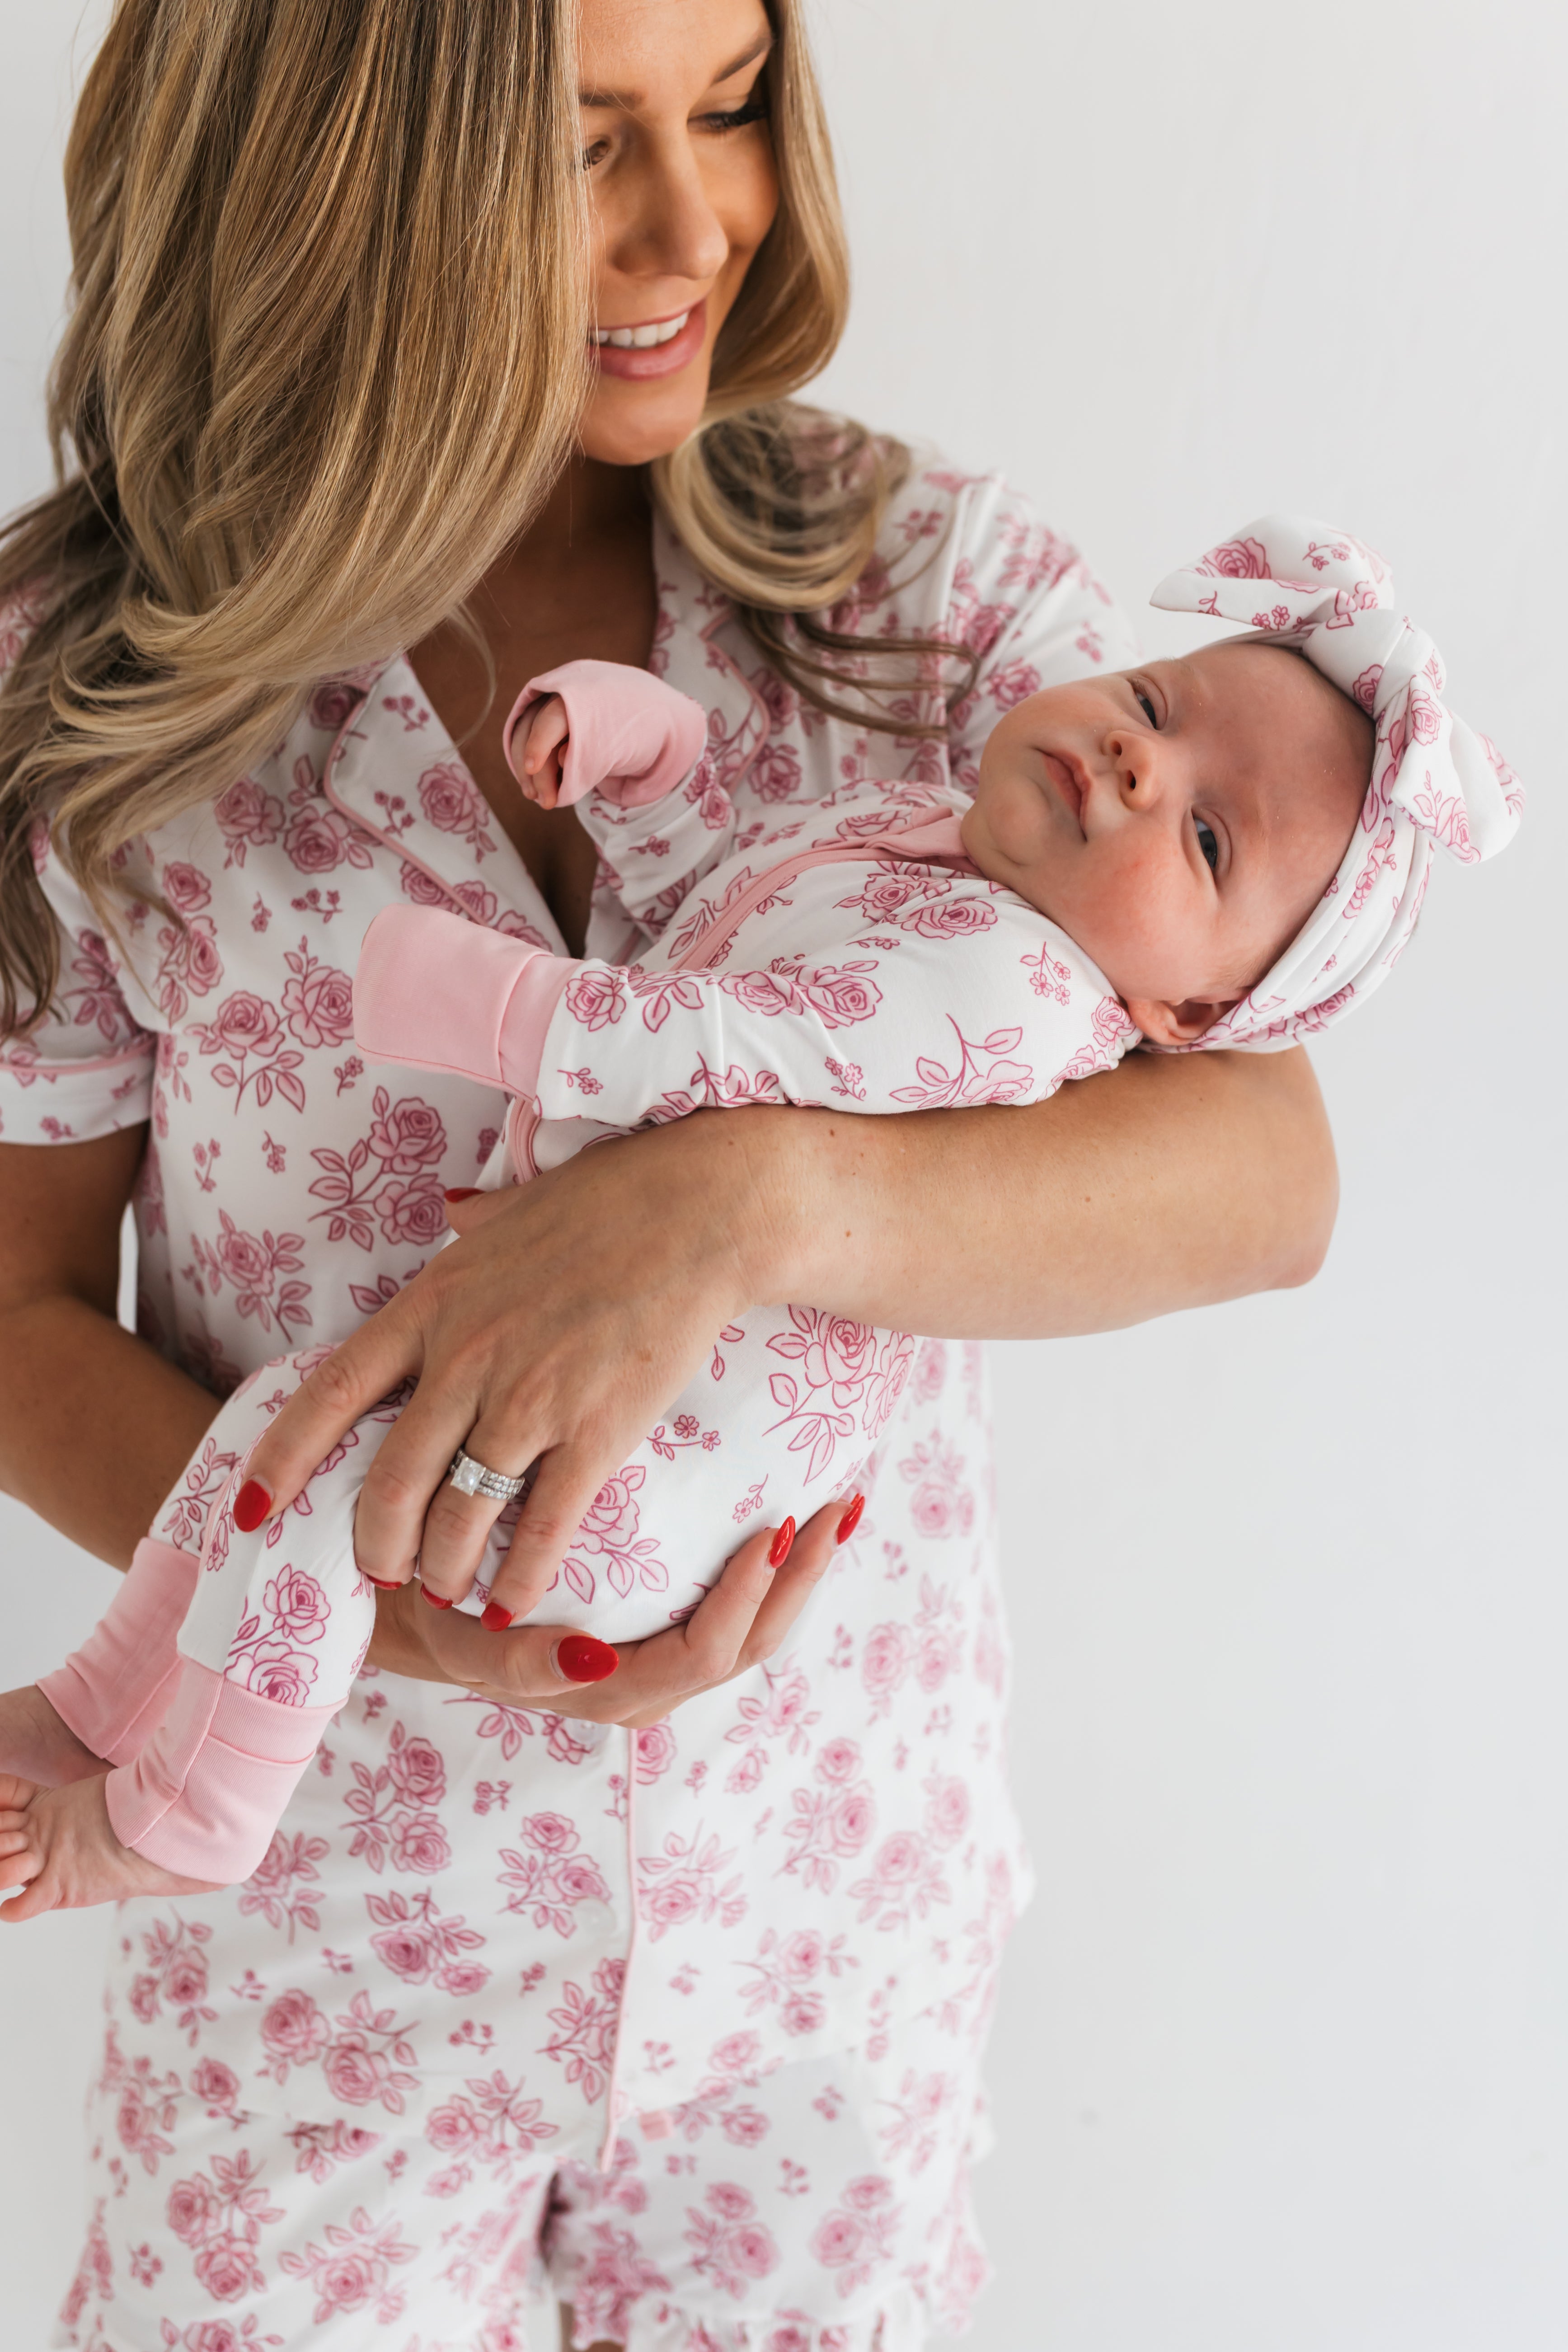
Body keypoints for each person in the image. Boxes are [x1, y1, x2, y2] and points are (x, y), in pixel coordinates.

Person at [0, 4, 1342, 2345]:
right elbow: (15, 1315)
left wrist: (742, 1205)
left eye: (729, 103)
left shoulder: (915, 590)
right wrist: (404, 1610)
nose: (698, 220)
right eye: (584, 140)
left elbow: (1264, 1156)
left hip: (829, 1938)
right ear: (331, 158)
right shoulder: (92, 692)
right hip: (324, 1954)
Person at [0, 515, 1522, 1915]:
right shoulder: (932, 841)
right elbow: (718, 905)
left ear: (1196, 1011)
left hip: (664, 1474)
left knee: (323, 1497)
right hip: (407, 1874)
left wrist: (512, 1013)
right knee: (277, 1433)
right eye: (1160, 704)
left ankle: (184, 1819)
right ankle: (102, 1701)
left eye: (1204, 840)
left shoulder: (1008, 990)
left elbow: (733, 1048)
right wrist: (652, 764)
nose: (1136, 764)